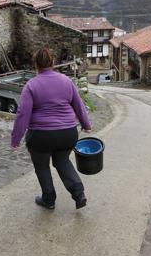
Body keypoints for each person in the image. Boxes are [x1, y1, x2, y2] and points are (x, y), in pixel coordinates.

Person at [11, 48, 92, 210]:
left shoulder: (31, 85)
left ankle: (48, 200)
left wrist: (16, 139)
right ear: (52, 63)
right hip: (68, 133)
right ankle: (79, 193)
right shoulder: (66, 81)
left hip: (41, 136)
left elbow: (22, 114)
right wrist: (86, 125)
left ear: (36, 65)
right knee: (62, 161)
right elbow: (78, 104)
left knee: (42, 166)